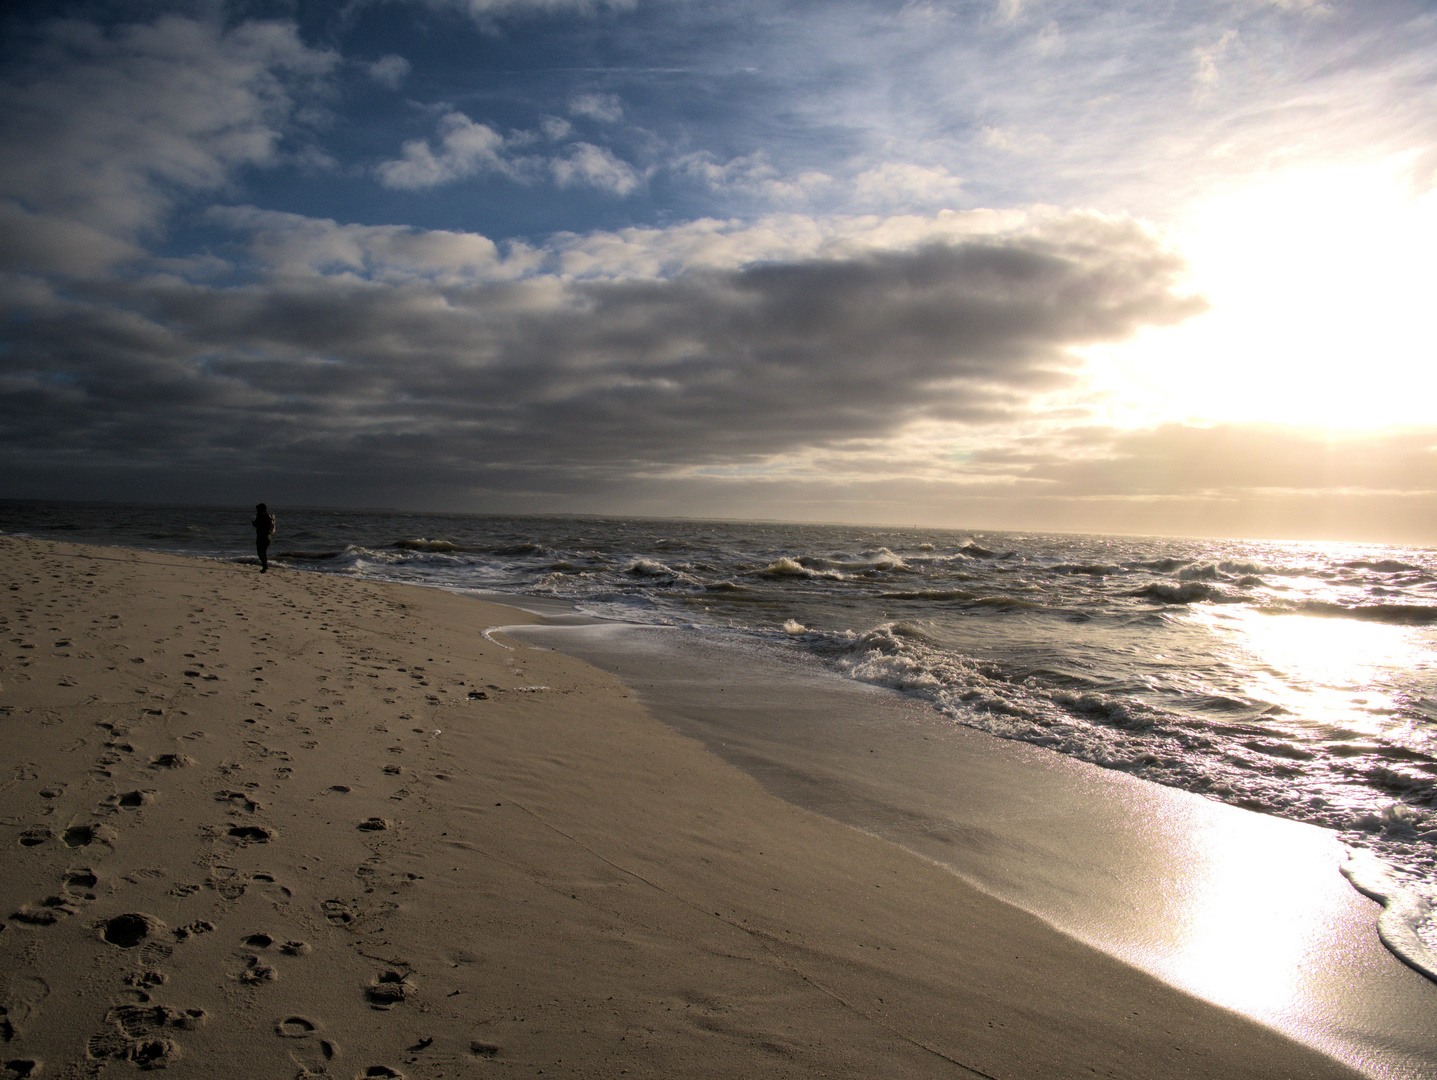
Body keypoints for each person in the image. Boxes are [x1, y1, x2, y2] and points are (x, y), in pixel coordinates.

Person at [252, 503, 275, 572]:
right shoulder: (269, 516)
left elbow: (256, 524)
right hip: (268, 537)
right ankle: (265, 565)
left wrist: (253, 521)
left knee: (260, 553)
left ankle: (265, 566)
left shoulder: (261, 516)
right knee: (264, 552)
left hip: (261, 536)